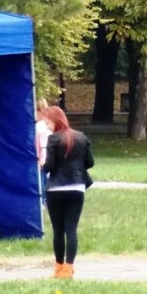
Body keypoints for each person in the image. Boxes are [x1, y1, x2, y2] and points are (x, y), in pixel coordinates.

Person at [43, 106, 95, 279]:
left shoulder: (53, 139)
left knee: (58, 230)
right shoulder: (81, 137)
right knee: (71, 229)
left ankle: (58, 268)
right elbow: (90, 162)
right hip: (77, 188)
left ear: (55, 121)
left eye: (48, 122)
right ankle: (68, 269)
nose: (47, 126)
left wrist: (43, 164)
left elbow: (49, 166)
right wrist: (77, 168)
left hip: (56, 189)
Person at [35, 98, 52, 201]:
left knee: (42, 177)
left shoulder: (38, 126)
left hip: (42, 152)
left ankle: (43, 199)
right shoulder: (49, 124)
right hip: (49, 152)